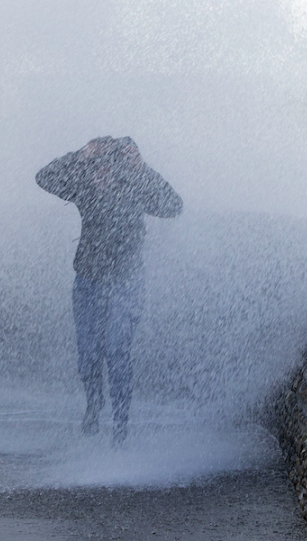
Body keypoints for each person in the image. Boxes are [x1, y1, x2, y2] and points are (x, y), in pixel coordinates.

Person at [36, 136, 182, 444]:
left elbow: (173, 206)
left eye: (106, 167)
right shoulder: (84, 187)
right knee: (88, 353)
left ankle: (120, 426)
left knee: (116, 351)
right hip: (88, 281)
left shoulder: (134, 187)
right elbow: (44, 177)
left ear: (119, 169)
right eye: (95, 167)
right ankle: (94, 403)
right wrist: (80, 153)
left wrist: (143, 169)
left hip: (127, 282)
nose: (99, 174)